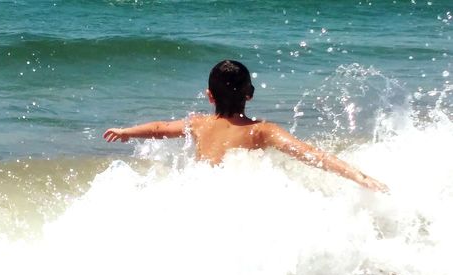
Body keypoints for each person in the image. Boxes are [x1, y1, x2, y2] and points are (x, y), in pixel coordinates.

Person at [103, 60, 388, 192]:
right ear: (249, 94)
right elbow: (311, 154)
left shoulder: (199, 124)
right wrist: (359, 177)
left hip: (199, 193)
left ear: (209, 96)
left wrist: (126, 131)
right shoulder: (262, 131)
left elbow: (159, 129)